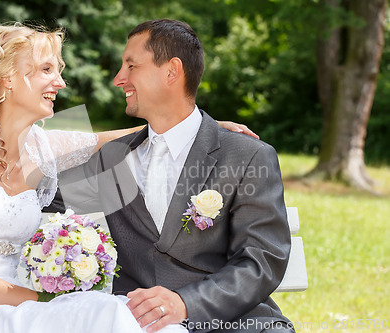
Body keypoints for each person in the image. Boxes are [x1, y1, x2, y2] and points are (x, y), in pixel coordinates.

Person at [0, 22, 252, 333]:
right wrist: (39, 301)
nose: (60, 82)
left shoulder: (40, 146)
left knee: (134, 319)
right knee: (106, 315)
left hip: (22, 302)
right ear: (7, 77)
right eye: (46, 70)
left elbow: (109, 138)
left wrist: (201, 127)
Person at [44, 20, 295, 333]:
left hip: (235, 322)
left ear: (171, 71)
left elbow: (262, 261)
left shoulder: (245, 156)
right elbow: (42, 198)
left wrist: (186, 304)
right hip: (136, 322)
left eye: (131, 65)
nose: (118, 79)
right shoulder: (113, 161)